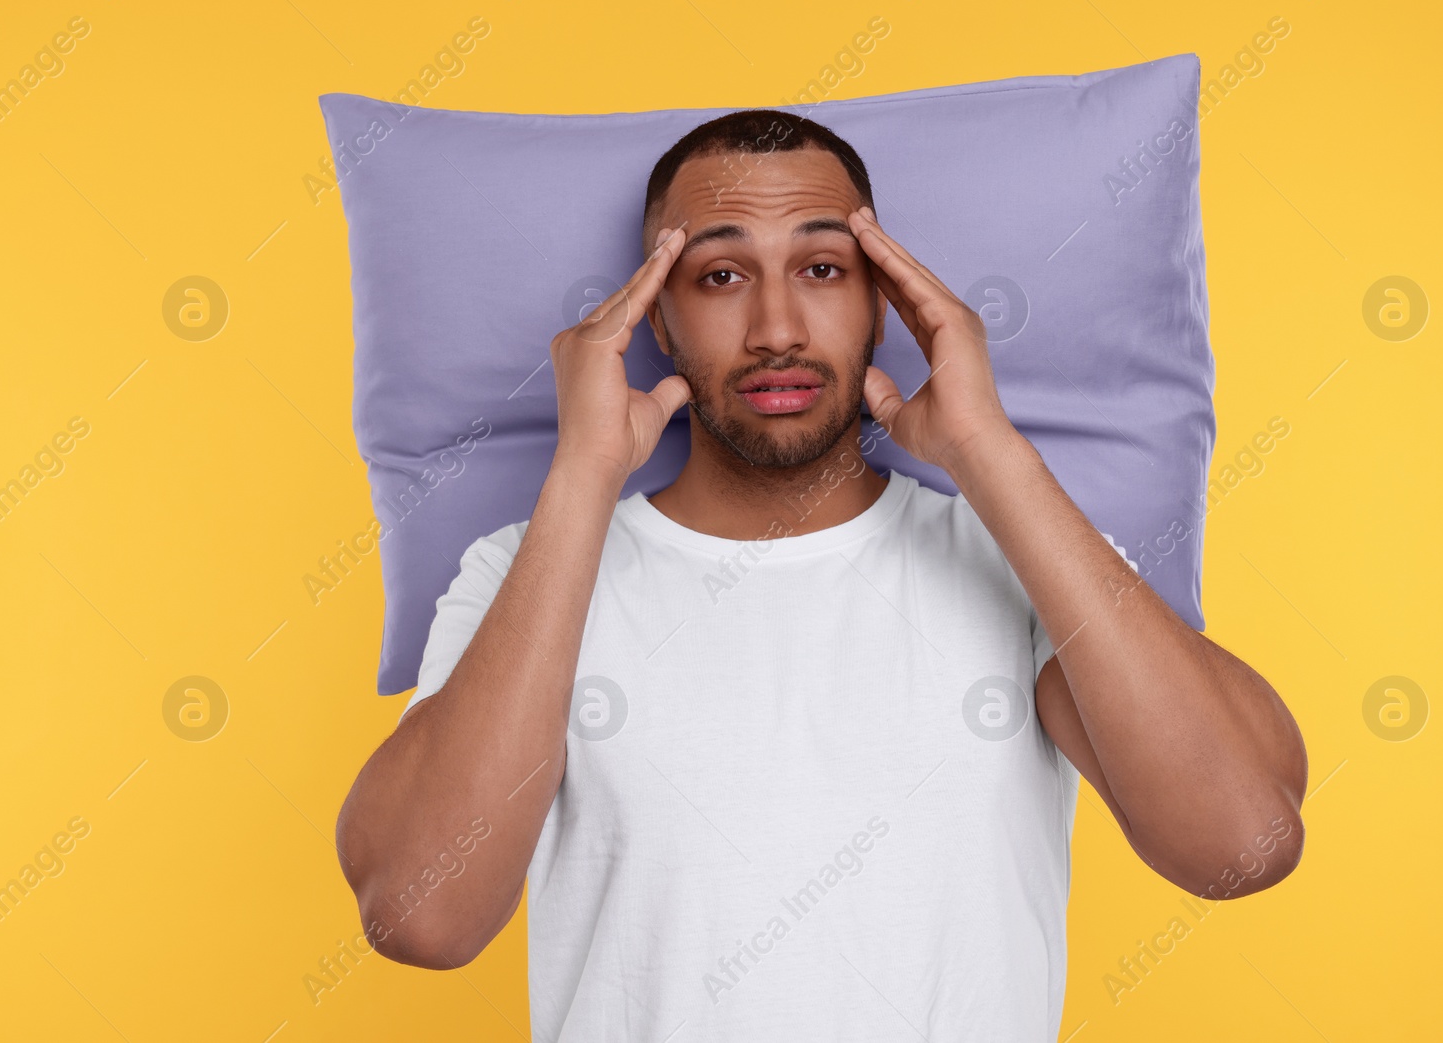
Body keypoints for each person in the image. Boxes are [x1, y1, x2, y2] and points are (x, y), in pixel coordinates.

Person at [334, 108, 1308, 1040]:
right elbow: (422, 916)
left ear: (885, 304)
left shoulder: (1019, 556)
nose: (776, 328)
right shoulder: (524, 567)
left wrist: (982, 445)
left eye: (821, 267)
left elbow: (1240, 845)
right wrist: (582, 472)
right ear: (656, 321)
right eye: (718, 275)